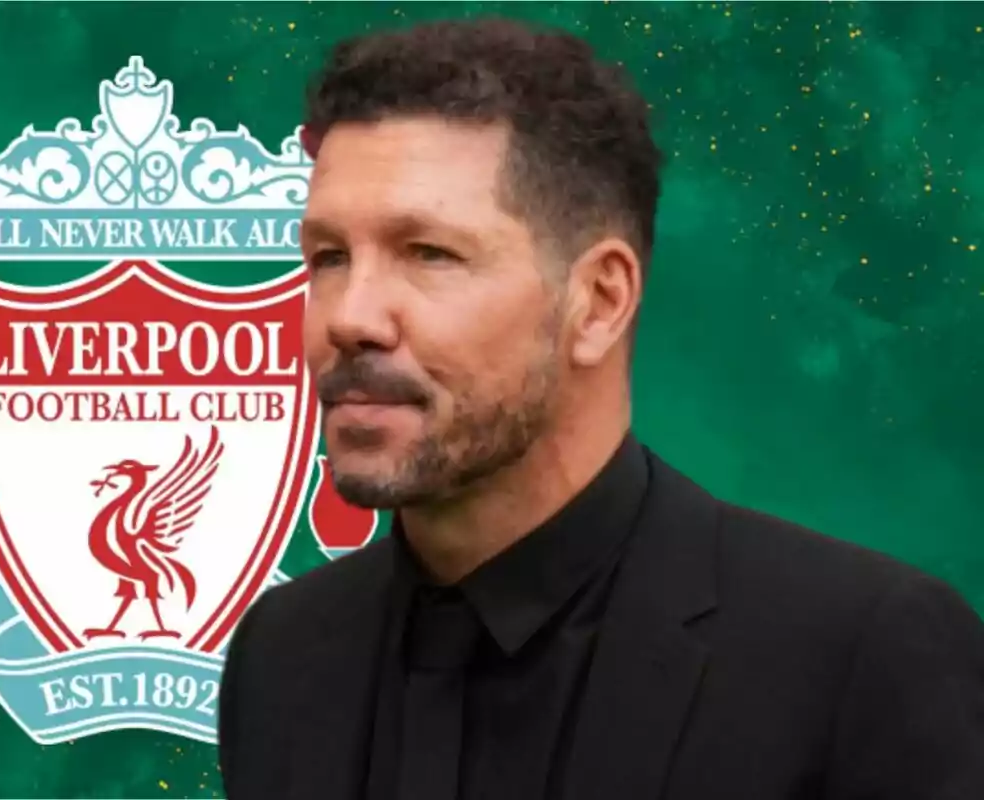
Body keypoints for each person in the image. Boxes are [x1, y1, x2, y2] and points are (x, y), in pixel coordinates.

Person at [216, 17, 984, 800]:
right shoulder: (282, 656)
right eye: (328, 257)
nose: (350, 316)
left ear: (599, 302)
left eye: (428, 254)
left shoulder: (858, 656)